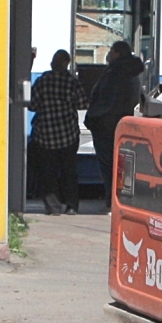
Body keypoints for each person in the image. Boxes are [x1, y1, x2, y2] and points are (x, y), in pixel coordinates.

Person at [26, 48, 84, 214]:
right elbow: (82, 103)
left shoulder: (43, 80)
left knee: (48, 173)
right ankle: (71, 206)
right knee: (69, 172)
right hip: (68, 135)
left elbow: (32, 105)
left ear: (53, 63)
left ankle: (53, 207)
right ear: (66, 64)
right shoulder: (72, 82)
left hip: (45, 136)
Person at [84, 40, 145, 165]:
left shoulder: (115, 74)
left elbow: (105, 102)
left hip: (106, 128)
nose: (109, 54)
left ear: (117, 53)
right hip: (122, 124)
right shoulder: (132, 72)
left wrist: (91, 118)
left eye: (111, 51)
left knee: (108, 167)